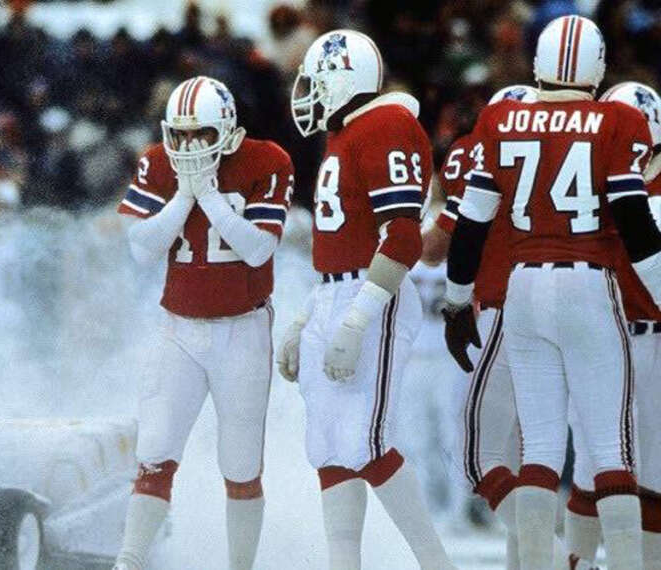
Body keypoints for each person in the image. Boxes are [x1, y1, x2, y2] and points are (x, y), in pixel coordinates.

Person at [443, 15, 659, 569]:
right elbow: (635, 226)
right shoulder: (616, 120)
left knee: (538, 451)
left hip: (522, 290)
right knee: (611, 453)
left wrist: (455, 299)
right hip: (588, 286)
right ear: (598, 66)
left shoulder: (501, 119)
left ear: (539, 64)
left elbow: (470, 224)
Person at [278, 30, 455, 569]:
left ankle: (436, 563)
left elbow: (401, 238)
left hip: (373, 295)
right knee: (329, 446)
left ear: (341, 76)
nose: (307, 91)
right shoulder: (347, 133)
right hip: (337, 291)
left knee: (367, 441)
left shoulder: (388, 124)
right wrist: (307, 316)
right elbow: (340, 248)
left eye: (315, 79)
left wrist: (356, 320)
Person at [112, 76, 293, 570]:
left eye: (202, 135)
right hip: (179, 327)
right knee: (155, 449)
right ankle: (128, 561)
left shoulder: (268, 159)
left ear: (229, 131)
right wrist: (184, 198)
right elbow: (141, 248)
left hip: (243, 328)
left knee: (239, 462)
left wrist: (209, 197)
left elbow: (259, 249)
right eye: (181, 136)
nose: (189, 147)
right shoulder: (156, 159)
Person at [425, 84, 540, 570]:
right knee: (546, 454)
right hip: (580, 311)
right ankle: (535, 558)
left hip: (502, 309)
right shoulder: (580, 144)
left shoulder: (477, 152)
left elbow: (436, 248)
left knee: (482, 453)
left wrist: (386, 237)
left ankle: (553, 557)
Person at [566, 81, 661, 570]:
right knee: (592, 464)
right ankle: (577, 561)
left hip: (649, 340)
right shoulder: (593, 180)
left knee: (651, 474)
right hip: (603, 335)